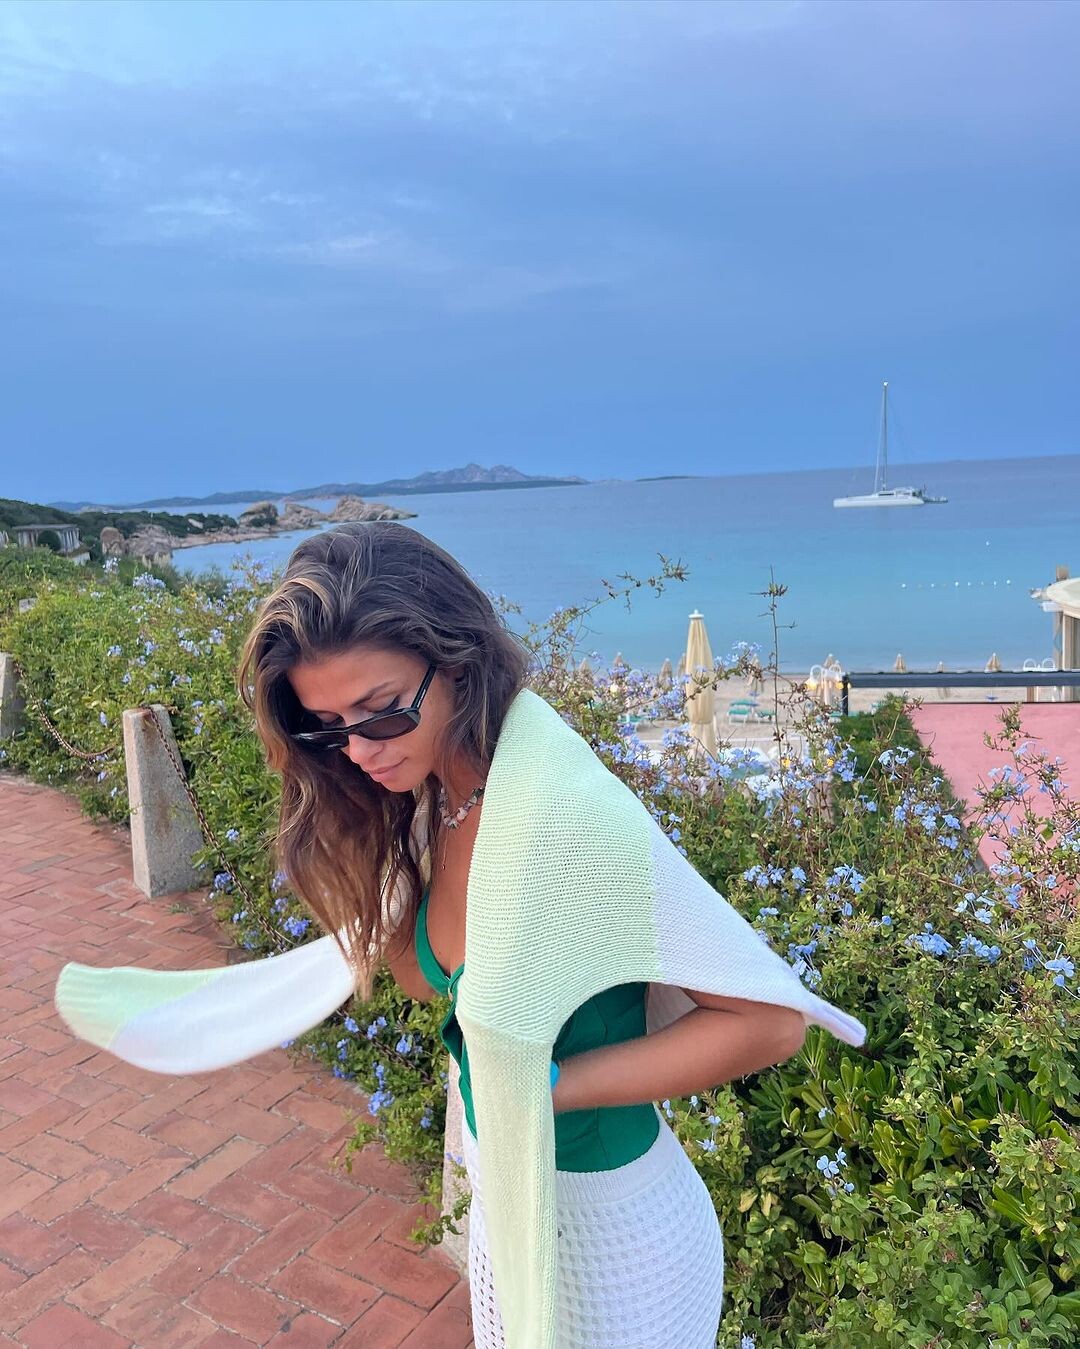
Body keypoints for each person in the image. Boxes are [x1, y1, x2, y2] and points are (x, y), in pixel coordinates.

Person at [236, 521, 814, 1347]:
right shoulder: (437, 801)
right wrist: (364, 838)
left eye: (380, 711)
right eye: (328, 724)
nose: (357, 749)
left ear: (456, 661)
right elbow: (430, 979)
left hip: (621, 1237)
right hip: (512, 1211)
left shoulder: (562, 812)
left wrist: (546, 1089)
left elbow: (772, 1023)